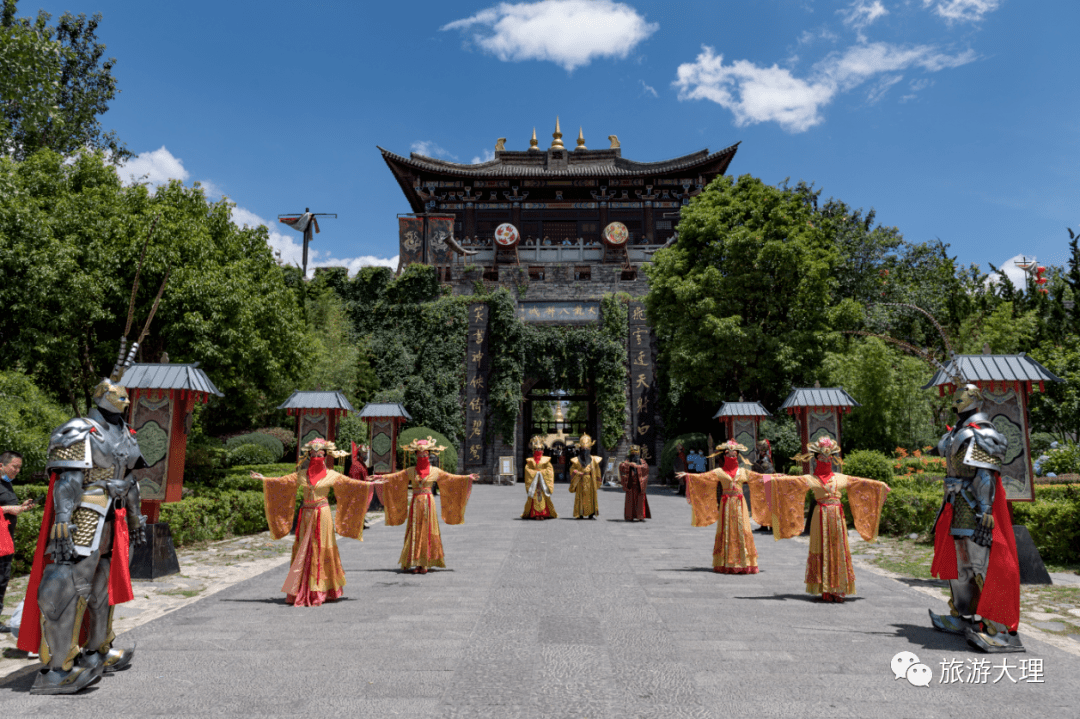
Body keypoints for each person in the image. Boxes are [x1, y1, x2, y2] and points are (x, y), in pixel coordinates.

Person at [18, 346, 147, 694]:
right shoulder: (79, 429)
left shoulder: (123, 433)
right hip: (83, 513)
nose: (125, 401)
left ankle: (96, 650)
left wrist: (134, 518)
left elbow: (131, 480)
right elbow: (68, 479)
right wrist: (62, 516)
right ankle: (56, 669)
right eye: (119, 396)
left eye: (126, 396)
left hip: (110, 518)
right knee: (64, 588)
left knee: (101, 590)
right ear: (103, 396)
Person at [928, 383, 1023, 652]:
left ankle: (1002, 630)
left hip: (975, 508)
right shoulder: (959, 432)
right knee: (961, 566)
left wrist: (985, 510)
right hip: (956, 505)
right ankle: (963, 614)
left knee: (983, 564)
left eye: (961, 395)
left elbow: (985, 475)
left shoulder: (982, 433)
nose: (955, 399)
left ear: (971, 399)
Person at [252, 437, 378, 606]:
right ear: (309, 455)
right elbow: (282, 482)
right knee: (304, 549)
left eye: (320, 454)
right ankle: (301, 588)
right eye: (313, 454)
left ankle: (322, 590)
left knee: (321, 549)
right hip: (306, 515)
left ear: (325, 455)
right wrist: (264, 479)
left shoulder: (332, 475)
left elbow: (351, 485)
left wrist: (368, 483)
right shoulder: (302, 475)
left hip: (323, 513)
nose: (316, 457)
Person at [765, 437, 890, 602]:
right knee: (821, 548)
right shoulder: (810, 479)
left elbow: (863, 483)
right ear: (816, 459)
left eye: (829, 457)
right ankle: (823, 587)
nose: (826, 460)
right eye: (822, 458)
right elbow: (789, 483)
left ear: (832, 458)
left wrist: (880, 486)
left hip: (837, 518)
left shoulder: (841, 477)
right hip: (820, 516)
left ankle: (838, 588)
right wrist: (768, 481)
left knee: (838, 549)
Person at [377, 437, 478, 573]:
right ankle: (416, 562)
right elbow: (395, 477)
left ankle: (425, 563)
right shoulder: (411, 471)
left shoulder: (435, 471)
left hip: (428, 503)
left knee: (427, 530)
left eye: (425, 454)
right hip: (415, 503)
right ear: (416, 455)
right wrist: (380, 478)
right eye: (420, 454)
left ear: (429, 455)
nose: (422, 456)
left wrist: (467, 478)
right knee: (415, 531)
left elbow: (451, 478)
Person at [677, 440, 767, 573]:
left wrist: (777, 478)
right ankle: (726, 562)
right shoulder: (719, 472)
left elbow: (760, 478)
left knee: (742, 530)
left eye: (734, 455)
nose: (731, 457)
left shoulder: (744, 472)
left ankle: (745, 562)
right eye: (728, 455)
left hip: (740, 504)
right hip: (726, 505)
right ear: (724, 456)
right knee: (727, 530)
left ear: (737, 456)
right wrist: (689, 475)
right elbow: (704, 478)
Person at [1, 451, 33, 633]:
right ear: (1, 465)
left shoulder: (7, 484)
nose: (17, 471)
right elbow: (4, 508)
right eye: (14, 466)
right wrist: (8, 508)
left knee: (2, 580)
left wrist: (20, 507)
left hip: (6, 540)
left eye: (19, 467)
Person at [522, 435, 557, 519]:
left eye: (540, 449)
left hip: (543, 483)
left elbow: (549, 470)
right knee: (534, 498)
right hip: (534, 483)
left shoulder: (546, 460)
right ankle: (535, 514)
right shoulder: (530, 461)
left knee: (544, 498)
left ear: (543, 451)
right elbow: (527, 470)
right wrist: (535, 473)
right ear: (534, 450)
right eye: (537, 449)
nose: (538, 451)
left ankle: (544, 514)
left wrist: (541, 473)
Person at [568, 433, 602, 519]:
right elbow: (572, 470)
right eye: (583, 449)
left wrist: (598, 481)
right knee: (581, 497)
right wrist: (578, 472)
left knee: (591, 497)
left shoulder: (594, 460)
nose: (585, 450)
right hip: (580, 481)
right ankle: (580, 513)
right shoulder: (576, 460)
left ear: (590, 448)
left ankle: (591, 514)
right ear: (580, 449)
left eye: (587, 448)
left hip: (590, 481)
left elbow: (597, 471)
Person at [619, 445, 651, 522]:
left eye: (636, 453)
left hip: (639, 484)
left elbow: (645, 468)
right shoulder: (627, 461)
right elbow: (621, 466)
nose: (634, 455)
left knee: (640, 500)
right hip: (630, 484)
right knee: (630, 501)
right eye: (633, 454)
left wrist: (637, 466)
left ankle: (640, 516)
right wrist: (629, 465)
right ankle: (630, 516)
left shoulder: (642, 462)